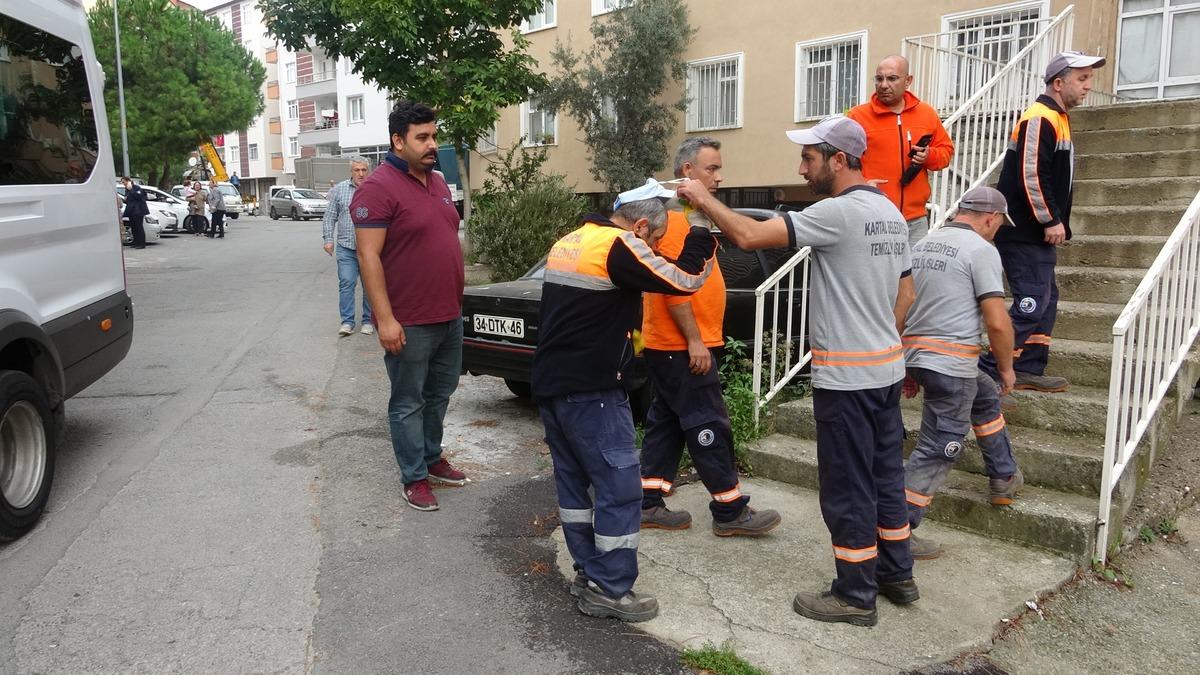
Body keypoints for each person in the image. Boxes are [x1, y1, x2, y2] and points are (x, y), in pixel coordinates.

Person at [676, 115, 916, 627]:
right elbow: (906, 292)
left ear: (839, 160)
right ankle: (897, 573)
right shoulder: (889, 213)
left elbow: (745, 235)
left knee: (847, 486)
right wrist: (878, 339)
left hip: (848, 381)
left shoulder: (839, 212)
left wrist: (701, 197)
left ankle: (855, 594)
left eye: (809, 158)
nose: (801, 168)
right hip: (885, 371)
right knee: (885, 477)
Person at [533, 181, 717, 623]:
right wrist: (700, 229)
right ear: (639, 226)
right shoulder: (619, 244)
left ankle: (588, 572)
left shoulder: (572, 240)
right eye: (653, 240)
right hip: (593, 393)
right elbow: (684, 279)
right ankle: (610, 587)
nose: (653, 249)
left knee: (575, 487)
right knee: (619, 488)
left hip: (555, 387)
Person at [639, 137, 782, 537]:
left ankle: (646, 502)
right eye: (712, 169)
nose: (719, 177)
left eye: (718, 169)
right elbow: (673, 287)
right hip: (680, 346)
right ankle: (730, 509)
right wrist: (695, 341)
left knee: (667, 425)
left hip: (675, 346)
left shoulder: (694, 216)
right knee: (708, 422)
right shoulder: (672, 220)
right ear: (688, 172)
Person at [351, 101, 467, 512]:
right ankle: (414, 476)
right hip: (409, 321)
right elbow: (368, 257)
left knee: (441, 394)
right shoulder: (376, 188)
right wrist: (384, 319)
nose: (432, 143)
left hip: (448, 314)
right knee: (408, 401)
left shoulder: (437, 182)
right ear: (398, 141)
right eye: (422, 137)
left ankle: (432, 457)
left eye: (434, 135)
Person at [899, 186, 1025, 560]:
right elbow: (998, 322)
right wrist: (1006, 366)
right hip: (950, 364)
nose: (996, 231)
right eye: (999, 225)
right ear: (990, 219)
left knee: (983, 395)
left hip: (916, 354)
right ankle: (896, 529)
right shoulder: (981, 251)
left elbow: (900, 302)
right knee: (940, 447)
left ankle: (1004, 475)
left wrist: (905, 362)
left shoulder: (922, 245)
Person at [979, 51, 1106, 393]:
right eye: (1082, 79)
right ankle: (987, 371)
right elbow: (1032, 174)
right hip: (1025, 231)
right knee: (1031, 302)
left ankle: (1028, 366)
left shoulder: (1058, 117)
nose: (1088, 86)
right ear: (1058, 82)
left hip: (1033, 232)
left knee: (1045, 301)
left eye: (1089, 79)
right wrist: (1050, 219)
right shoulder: (1040, 117)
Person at [847, 55, 954, 246]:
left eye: (892, 78)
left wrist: (929, 156)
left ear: (908, 81)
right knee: (879, 275)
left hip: (915, 220)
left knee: (914, 275)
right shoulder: (857, 116)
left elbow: (946, 152)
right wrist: (861, 186)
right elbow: (843, 162)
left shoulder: (927, 113)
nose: (884, 85)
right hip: (873, 216)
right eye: (879, 79)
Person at [323, 156, 374, 337]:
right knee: (347, 282)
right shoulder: (339, 190)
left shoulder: (376, 189)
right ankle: (347, 322)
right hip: (346, 247)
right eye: (357, 170)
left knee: (370, 285)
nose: (360, 173)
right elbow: (329, 216)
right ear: (351, 171)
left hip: (370, 248)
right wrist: (328, 239)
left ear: (368, 171)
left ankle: (368, 321)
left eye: (363, 170)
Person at [121, 176, 148, 249]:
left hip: (138, 210)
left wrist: (131, 190)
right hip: (131, 211)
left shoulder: (136, 187)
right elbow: (129, 200)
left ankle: (141, 243)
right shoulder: (126, 189)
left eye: (124, 182)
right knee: (133, 227)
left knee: (139, 227)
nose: (123, 184)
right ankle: (135, 242)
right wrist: (125, 199)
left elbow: (139, 197)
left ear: (128, 181)